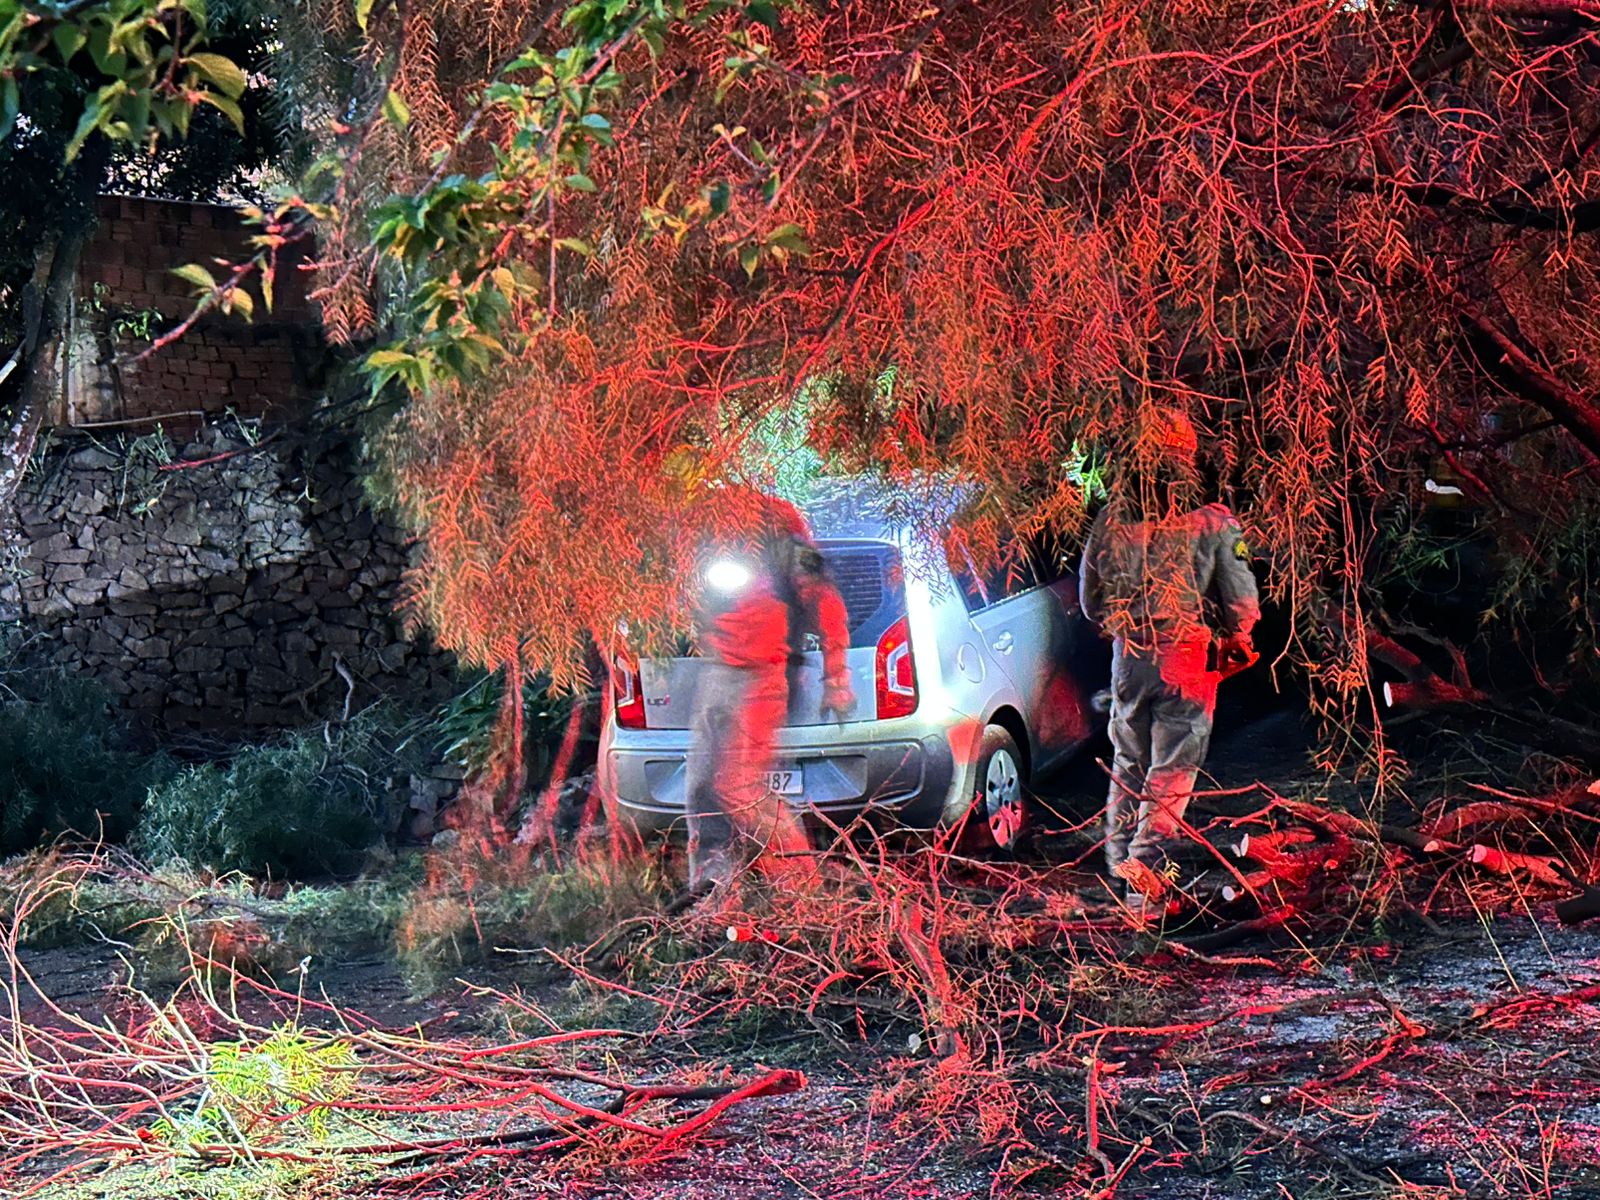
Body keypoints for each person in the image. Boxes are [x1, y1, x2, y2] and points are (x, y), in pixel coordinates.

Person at [1078, 408, 1260, 907]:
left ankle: (1118, 863)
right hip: (1186, 658)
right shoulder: (1215, 523)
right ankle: (1145, 875)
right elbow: (1242, 596)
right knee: (1174, 767)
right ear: (1187, 460)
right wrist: (1240, 638)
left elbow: (1092, 603)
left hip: (1128, 657)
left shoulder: (1110, 523)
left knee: (1129, 758)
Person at [682, 483, 855, 896]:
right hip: (716, 668)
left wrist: (837, 677)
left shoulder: (777, 523)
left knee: (739, 786)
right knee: (702, 786)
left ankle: (803, 892)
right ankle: (712, 892)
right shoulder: (697, 521)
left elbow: (824, 598)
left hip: (763, 672)